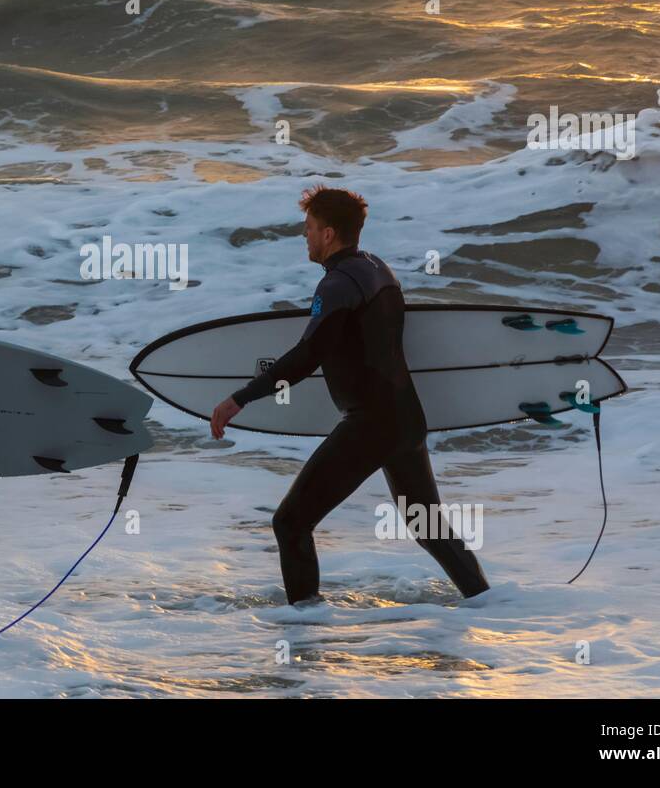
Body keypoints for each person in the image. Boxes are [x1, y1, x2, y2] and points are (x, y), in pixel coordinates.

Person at [209, 185, 489, 604]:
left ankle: (304, 627)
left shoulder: (337, 285)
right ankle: (489, 605)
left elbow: (307, 357)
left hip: (372, 423)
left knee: (290, 522)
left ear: (328, 233)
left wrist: (240, 398)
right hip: (405, 418)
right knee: (429, 528)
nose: (304, 235)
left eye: (309, 228)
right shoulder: (378, 269)